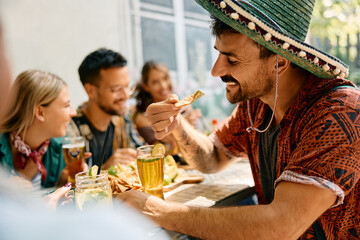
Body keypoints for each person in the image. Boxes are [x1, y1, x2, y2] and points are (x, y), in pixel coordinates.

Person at [118, 0, 360, 239]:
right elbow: (213, 157)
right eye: (219, 55)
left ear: (280, 63)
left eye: (232, 60)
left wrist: (159, 211)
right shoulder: (256, 103)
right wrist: (178, 125)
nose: (216, 71)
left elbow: (281, 226)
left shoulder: (341, 111)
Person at [67, 48, 143, 170]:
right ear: (90, 91)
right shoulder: (70, 129)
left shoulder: (121, 118)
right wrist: (105, 169)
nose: (126, 95)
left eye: (127, 86)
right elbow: (67, 182)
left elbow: (143, 152)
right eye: (116, 89)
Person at [0, 69, 77, 190]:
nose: (74, 112)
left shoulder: (62, 147)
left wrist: (63, 183)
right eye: (66, 106)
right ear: (40, 112)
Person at [133, 60, 202, 154]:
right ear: (146, 86)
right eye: (155, 82)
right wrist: (184, 125)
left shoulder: (184, 109)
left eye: (165, 78)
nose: (163, 86)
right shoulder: (143, 118)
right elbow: (158, 151)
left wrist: (196, 122)